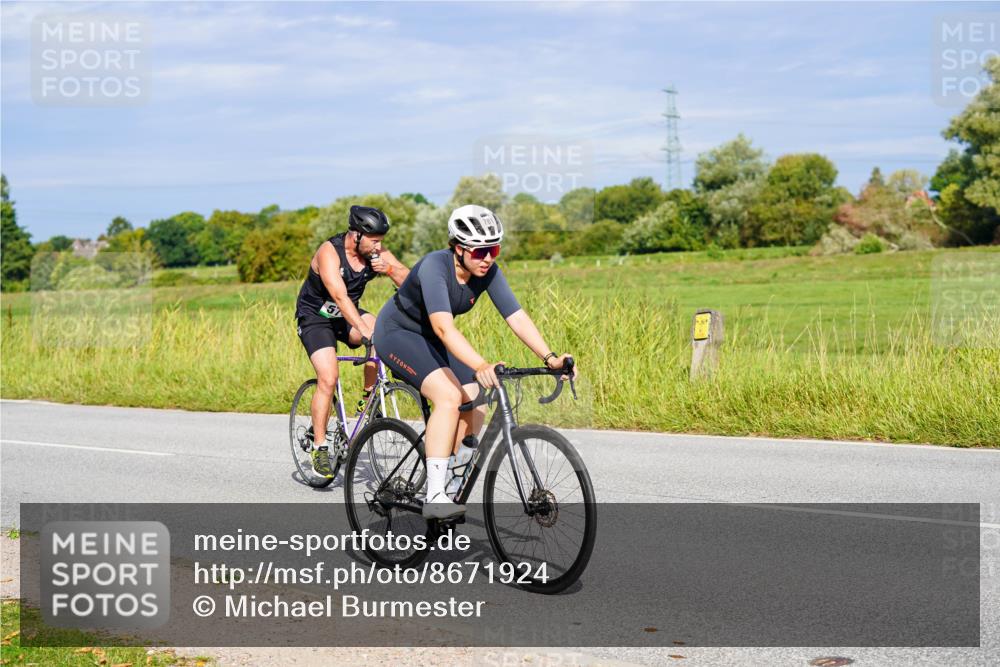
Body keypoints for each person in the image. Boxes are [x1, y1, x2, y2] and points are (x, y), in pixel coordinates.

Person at [373, 204, 575, 519]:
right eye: (481, 251)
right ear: (458, 248)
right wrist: (481, 365)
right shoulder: (434, 267)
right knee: (450, 397)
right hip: (399, 333)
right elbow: (443, 327)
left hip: (435, 337)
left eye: (494, 249)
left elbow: (516, 316)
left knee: (478, 399)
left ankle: (452, 475)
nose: (489, 258)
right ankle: (435, 496)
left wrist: (549, 357)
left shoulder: (488, 271)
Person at [295, 205, 409, 478]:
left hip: (346, 316)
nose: (378, 246)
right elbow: (340, 297)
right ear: (355, 235)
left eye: (381, 240)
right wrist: (362, 329)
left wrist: (390, 268)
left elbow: (410, 280)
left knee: (382, 331)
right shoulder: (329, 252)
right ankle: (320, 448)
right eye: (374, 240)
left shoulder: (375, 252)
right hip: (316, 317)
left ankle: (368, 400)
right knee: (328, 378)